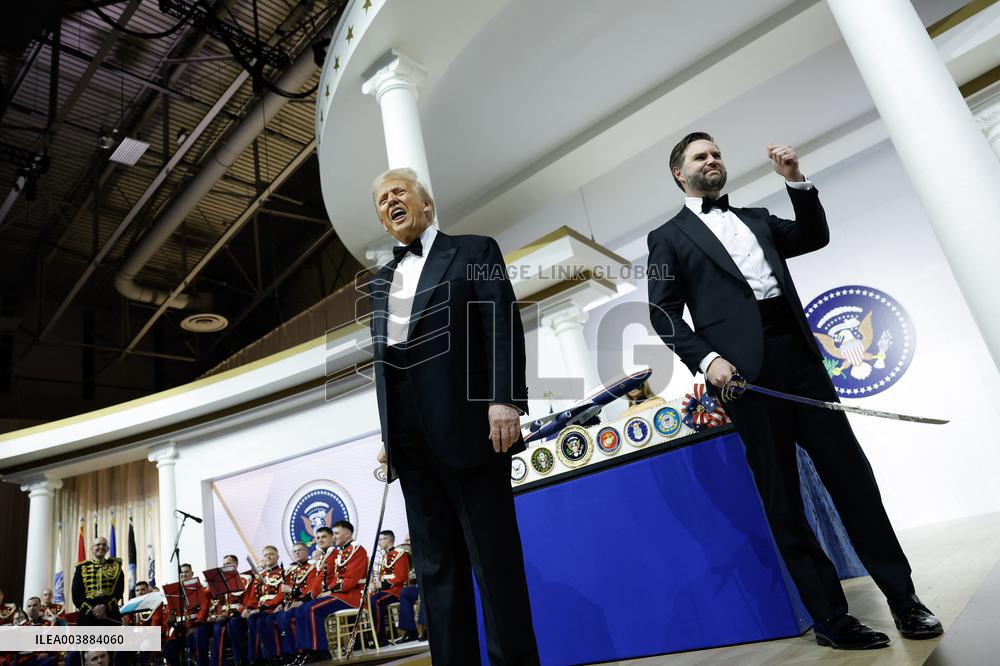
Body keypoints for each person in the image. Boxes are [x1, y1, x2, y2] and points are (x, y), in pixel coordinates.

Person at [646, 132, 942, 650]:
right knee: (784, 501)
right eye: (701, 156)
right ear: (679, 173)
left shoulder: (758, 218)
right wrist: (709, 360)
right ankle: (831, 618)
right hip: (741, 378)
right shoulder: (667, 237)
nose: (713, 160)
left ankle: (904, 599)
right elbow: (662, 312)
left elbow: (813, 236)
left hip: (801, 360)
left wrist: (797, 183)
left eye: (717, 152)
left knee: (853, 480)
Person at [367, 167, 539, 666]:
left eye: (399, 192)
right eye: (382, 201)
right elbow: (389, 365)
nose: (390, 203)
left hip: (470, 429)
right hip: (410, 446)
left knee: (495, 565)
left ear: (427, 203)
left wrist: (504, 399)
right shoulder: (380, 283)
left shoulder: (475, 250)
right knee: (437, 575)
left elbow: (501, 323)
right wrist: (389, 432)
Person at [297, 521, 367, 656]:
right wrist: (327, 591)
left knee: (312, 609)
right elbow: (334, 579)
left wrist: (331, 591)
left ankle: (321, 651)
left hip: (351, 596)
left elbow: (351, 580)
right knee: (302, 609)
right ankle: (306, 651)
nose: (333, 537)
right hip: (339, 595)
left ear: (347, 534)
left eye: (336, 533)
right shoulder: (341, 552)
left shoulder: (357, 549)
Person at [241, 547, 284, 661]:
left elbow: (281, 594)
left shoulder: (283, 573)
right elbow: (254, 596)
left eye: (271, 554)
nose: (268, 557)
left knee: (259, 621)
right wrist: (249, 608)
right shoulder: (260, 576)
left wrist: (265, 606)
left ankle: (270, 656)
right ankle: (255, 656)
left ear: (277, 557)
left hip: (273, 608)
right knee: (251, 619)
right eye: (266, 555)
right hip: (260, 609)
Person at [369, 530, 410, 643]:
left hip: (397, 590)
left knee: (375, 601)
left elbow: (402, 577)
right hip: (386, 591)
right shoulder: (384, 556)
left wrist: (383, 584)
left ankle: (379, 637)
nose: (379, 543)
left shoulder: (400, 553)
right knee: (369, 600)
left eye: (381, 539)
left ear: (389, 540)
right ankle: (388, 632)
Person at [207, 555, 249, 666]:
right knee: (216, 628)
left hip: (239, 616)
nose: (225, 566)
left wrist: (240, 610)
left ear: (236, 565)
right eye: (224, 564)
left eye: (228, 563)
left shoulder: (245, 579)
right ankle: (218, 663)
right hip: (225, 617)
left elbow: (247, 599)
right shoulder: (220, 582)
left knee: (233, 624)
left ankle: (239, 660)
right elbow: (218, 602)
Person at [71, 537, 124, 626]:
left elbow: (119, 591)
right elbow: (76, 593)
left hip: (110, 614)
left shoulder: (116, 566)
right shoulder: (81, 567)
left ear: (107, 549)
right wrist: (92, 609)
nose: (101, 547)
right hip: (87, 616)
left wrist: (105, 607)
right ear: (92, 549)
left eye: (104, 544)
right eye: (98, 545)